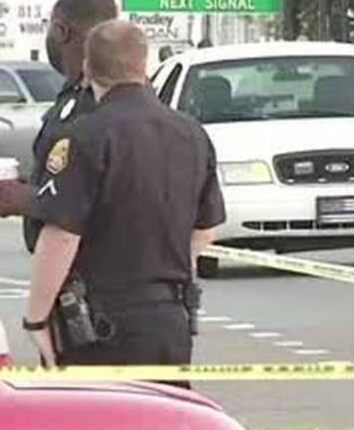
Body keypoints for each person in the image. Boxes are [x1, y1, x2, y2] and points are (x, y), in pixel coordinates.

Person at [21, 20, 225, 374]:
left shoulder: (83, 138)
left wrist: (36, 320)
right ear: (143, 66)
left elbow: (62, 235)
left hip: (99, 326)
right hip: (170, 322)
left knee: (99, 426)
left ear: (87, 68)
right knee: (162, 423)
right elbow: (205, 230)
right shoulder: (192, 133)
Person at [0, 0, 118, 254]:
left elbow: (98, 196)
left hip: (90, 271)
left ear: (61, 31)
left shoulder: (104, 99)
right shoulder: (72, 94)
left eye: (48, 27)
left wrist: (32, 201)